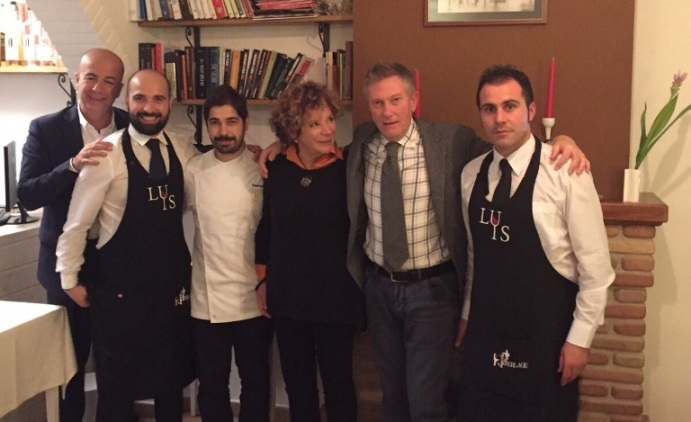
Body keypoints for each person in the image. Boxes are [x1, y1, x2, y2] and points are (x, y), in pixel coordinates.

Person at [343, 61, 590, 422]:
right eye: (377, 103)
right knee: (392, 394)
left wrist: (560, 142)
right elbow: (322, 152)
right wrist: (274, 150)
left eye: (395, 100)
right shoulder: (363, 143)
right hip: (379, 289)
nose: (387, 111)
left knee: (426, 401)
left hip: (431, 292)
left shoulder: (451, 141)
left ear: (413, 100)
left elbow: (509, 145)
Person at [456, 64, 614, 420]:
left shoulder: (565, 171)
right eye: (489, 108)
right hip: (485, 331)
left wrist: (580, 340)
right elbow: (475, 256)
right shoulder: (470, 174)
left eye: (510, 106)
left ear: (530, 110)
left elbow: (596, 270)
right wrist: (466, 314)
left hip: (546, 336)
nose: (499, 118)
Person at [56, 69, 197, 422]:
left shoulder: (183, 148)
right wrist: (69, 279)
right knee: (116, 392)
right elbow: (76, 223)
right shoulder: (106, 154)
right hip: (120, 296)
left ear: (170, 103)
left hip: (170, 291)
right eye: (140, 98)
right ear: (127, 101)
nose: (149, 107)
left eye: (158, 99)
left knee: (170, 385)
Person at [17, 48, 127, 422]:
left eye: (109, 81)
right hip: (63, 268)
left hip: (115, 265)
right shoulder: (45, 129)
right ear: (77, 79)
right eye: (91, 77)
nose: (98, 88)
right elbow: (27, 194)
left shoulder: (131, 125)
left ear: (119, 89)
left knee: (117, 363)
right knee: (69, 367)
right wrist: (72, 165)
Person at [255, 81, 365, 422]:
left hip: (337, 299)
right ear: (294, 130)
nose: (327, 129)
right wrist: (262, 280)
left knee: (339, 385)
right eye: (315, 123)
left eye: (330, 119)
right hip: (288, 298)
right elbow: (267, 228)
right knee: (298, 386)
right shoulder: (276, 168)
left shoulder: (349, 168)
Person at [184, 85, 274, 422]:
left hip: (256, 297)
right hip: (207, 301)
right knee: (212, 386)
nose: (223, 131)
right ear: (207, 126)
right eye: (215, 123)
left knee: (256, 383)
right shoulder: (193, 171)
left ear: (246, 123)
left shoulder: (264, 167)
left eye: (231, 122)